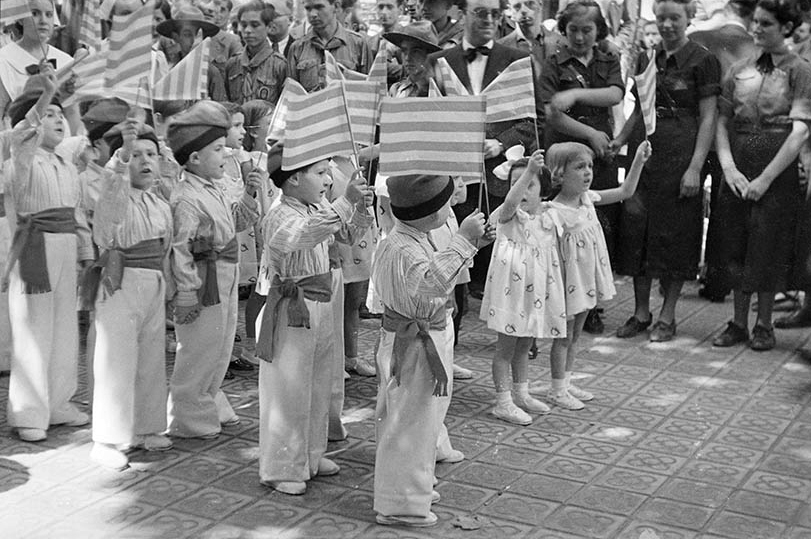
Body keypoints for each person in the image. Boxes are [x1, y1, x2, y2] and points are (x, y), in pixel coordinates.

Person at [373, 174, 493, 528]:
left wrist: (472, 245)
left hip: (420, 336)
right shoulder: (404, 248)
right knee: (409, 420)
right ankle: (400, 503)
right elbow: (431, 282)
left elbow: (439, 273)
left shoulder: (415, 238)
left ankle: (412, 488)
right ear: (429, 213)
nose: (451, 205)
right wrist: (461, 241)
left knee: (421, 419)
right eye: (444, 203)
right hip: (413, 342)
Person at [254, 158, 374, 495]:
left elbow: (347, 233)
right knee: (289, 391)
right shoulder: (281, 212)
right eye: (320, 173)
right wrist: (346, 201)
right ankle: (280, 467)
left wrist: (360, 206)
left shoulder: (317, 205)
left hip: (321, 302)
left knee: (319, 383)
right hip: (292, 307)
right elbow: (305, 234)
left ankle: (310, 454)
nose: (327, 180)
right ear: (292, 179)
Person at [612, 0, 721, 342]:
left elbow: (708, 117)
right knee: (637, 229)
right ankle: (641, 312)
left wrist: (694, 167)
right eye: (662, 18)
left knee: (675, 233)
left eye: (675, 17)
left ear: (688, 18)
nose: (668, 24)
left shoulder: (704, 60)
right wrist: (619, 141)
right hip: (646, 152)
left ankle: (668, 316)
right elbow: (638, 111)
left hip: (681, 152)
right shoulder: (647, 57)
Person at [711, 0, 811, 351]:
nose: (757, 29)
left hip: (776, 164)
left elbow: (799, 131)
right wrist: (729, 168)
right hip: (738, 159)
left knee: (768, 244)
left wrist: (766, 179)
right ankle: (738, 322)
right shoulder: (739, 68)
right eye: (755, 22)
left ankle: (764, 324)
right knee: (735, 242)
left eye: (766, 24)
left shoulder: (800, 70)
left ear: (785, 27)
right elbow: (722, 120)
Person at [4, 68, 94, 442]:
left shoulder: (64, 164)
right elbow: (24, 129)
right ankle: (28, 412)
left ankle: (58, 402)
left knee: (62, 329)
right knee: (33, 328)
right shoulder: (20, 157)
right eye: (49, 115)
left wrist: (86, 252)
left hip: (65, 245)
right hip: (35, 247)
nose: (57, 120)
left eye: (61, 115)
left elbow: (76, 214)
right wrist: (44, 97)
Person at [431, 0, 539, 299]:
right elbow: (433, 116)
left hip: (498, 178)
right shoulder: (441, 61)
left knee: (497, 260)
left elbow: (532, 120)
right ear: (462, 14)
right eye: (480, 12)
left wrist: (501, 142)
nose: (489, 19)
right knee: (455, 256)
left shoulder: (517, 60)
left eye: (494, 13)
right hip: (455, 177)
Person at [166, 101, 261, 439]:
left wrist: (250, 193)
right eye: (218, 149)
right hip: (203, 279)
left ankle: (209, 399)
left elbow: (235, 223)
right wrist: (187, 292)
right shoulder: (186, 198)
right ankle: (187, 414)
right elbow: (180, 249)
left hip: (225, 273)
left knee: (220, 344)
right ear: (194, 158)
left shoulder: (216, 187)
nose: (225, 155)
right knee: (199, 347)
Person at [86, 120, 174, 470]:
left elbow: (166, 247)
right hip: (120, 281)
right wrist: (122, 152)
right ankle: (107, 437)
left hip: (152, 281)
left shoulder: (159, 204)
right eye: (135, 155)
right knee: (116, 358)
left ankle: (147, 425)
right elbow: (112, 186)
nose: (144, 161)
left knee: (151, 355)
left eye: (150, 154)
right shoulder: (114, 198)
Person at [547, 140, 651, 408]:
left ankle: (566, 382)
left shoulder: (588, 199)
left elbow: (626, 191)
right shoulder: (553, 212)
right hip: (568, 282)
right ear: (559, 173)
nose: (588, 172)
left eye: (590, 166)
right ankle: (557, 389)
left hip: (585, 280)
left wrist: (638, 160)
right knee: (564, 336)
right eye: (580, 167)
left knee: (576, 334)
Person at [542, 0, 624, 334]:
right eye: (573, 30)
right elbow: (552, 111)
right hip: (564, 154)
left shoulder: (608, 59)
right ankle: (557, 295)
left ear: (598, 31)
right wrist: (590, 133)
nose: (579, 37)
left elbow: (615, 94)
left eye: (587, 30)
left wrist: (575, 95)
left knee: (594, 225)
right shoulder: (553, 62)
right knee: (561, 225)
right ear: (563, 30)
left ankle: (590, 304)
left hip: (599, 155)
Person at [481, 151, 560, 424]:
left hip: (533, 293)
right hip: (510, 294)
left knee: (524, 344)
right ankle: (503, 401)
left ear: (543, 191)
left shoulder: (547, 216)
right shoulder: (508, 214)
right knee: (505, 348)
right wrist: (528, 172)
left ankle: (521, 392)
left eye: (530, 185)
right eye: (516, 183)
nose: (522, 190)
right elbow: (510, 203)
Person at [689, 0, 757, 303]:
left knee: (690, 201)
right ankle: (718, 281)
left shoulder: (705, 35)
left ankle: (680, 270)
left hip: (699, 129)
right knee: (724, 207)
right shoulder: (754, 44)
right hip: (733, 134)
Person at [0, 0, 73, 125]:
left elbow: (72, 114)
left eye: (49, 14)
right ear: (20, 19)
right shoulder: (4, 59)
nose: (43, 21)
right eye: (35, 13)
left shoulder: (65, 61)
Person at [287, 0, 372, 92]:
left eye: (319, 7)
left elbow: (369, 91)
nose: (313, 14)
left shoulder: (358, 44)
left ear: (336, 6)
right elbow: (292, 95)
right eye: (308, 8)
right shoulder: (297, 48)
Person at [156, 5, 228, 102]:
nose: (194, 40)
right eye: (187, 35)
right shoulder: (168, 68)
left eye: (198, 34)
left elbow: (221, 107)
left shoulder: (210, 71)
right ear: (176, 37)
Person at [225, 1, 288, 106]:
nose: (248, 30)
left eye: (255, 25)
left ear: (269, 27)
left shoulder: (280, 65)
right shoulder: (232, 64)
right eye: (244, 25)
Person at [498, 0, 565, 74]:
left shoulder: (562, 43)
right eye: (517, 6)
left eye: (530, 4)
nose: (524, 10)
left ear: (540, 5)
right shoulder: (500, 48)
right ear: (509, 11)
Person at [369, 0, 406, 85]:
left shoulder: (408, 38)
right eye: (380, 7)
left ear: (400, 10)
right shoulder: (371, 42)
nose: (384, 12)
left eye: (389, 7)